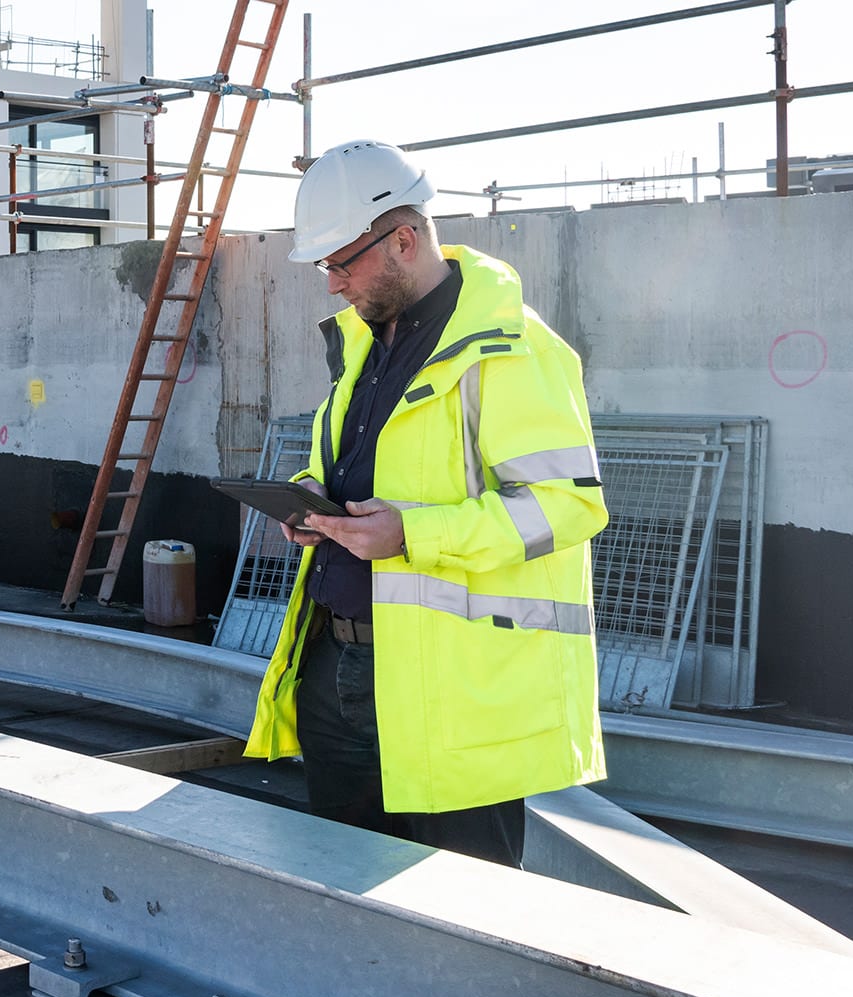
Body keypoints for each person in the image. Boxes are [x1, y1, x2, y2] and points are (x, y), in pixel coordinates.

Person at [243, 140, 609, 868]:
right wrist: (313, 498)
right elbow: (355, 467)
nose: (332, 284)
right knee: (343, 891)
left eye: (342, 262)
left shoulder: (513, 350)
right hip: (335, 668)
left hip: (453, 690)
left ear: (403, 241)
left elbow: (568, 506)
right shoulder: (364, 346)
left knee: (464, 920)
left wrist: (414, 534)